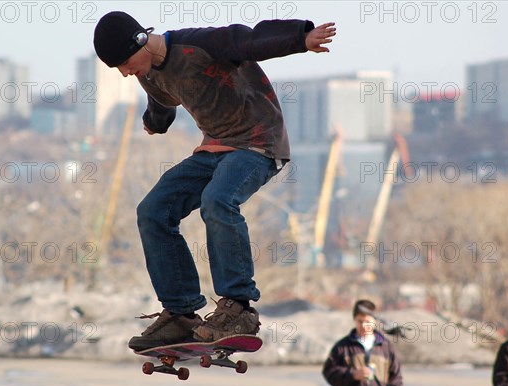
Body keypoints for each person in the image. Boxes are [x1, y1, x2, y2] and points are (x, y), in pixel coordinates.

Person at [93, 12, 336, 350]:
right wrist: (154, 123)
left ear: (141, 41)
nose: (125, 72)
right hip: (214, 150)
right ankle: (181, 314)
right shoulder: (147, 74)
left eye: (125, 63)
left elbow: (249, 40)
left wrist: (300, 38)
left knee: (218, 200)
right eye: (117, 68)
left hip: (258, 144)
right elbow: (162, 103)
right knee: (153, 210)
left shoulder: (199, 45)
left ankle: (238, 308)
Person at [322, 299, 403, 386]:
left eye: (368, 321)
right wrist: (353, 375)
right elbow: (329, 373)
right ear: (354, 320)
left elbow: (396, 379)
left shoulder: (386, 347)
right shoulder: (342, 347)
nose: (364, 326)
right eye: (360, 321)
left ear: (374, 321)